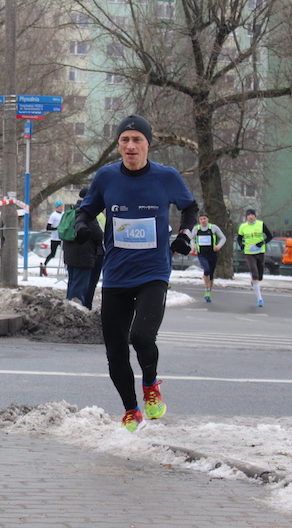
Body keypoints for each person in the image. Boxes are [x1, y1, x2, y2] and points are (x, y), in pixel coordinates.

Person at [74, 114, 198, 432]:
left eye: (137, 139)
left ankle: (151, 385)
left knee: (141, 336)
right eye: (124, 140)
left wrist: (184, 235)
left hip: (153, 273)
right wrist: (82, 226)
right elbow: (86, 209)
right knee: (115, 350)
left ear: (147, 144)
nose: (130, 146)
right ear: (119, 145)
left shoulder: (166, 177)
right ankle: (131, 409)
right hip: (116, 274)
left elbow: (189, 208)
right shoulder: (106, 177)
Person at [62, 188, 102, 310]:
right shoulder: (87, 213)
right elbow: (98, 235)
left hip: (70, 254)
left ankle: (68, 309)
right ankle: (75, 311)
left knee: (72, 283)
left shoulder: (71, 211)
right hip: (84, 254)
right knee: (80, 287)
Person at [237, 208, 273, 307]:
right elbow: (239, 238)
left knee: (260, 276)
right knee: (255, 273)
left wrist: (262, 242)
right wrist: (241, 245)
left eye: (252, 215)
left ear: (255, 216)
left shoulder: (261, 224)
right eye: (249, 215)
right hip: (249, 253)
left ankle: (254, 280)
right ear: (246, 217)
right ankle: (259, 299)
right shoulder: (243, 226)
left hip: (260, 252)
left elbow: (270, 236)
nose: (250, 217)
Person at [191, 211, 226, 303]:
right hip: (202, 253)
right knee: (206, 269)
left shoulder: (213, 228)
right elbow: (192, 239)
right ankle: (206, 290)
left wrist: (218, 246)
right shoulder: (196, 228)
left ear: (208, 219)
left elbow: (223, 238)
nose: (203, 221)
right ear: (199, 220)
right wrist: (193, 246)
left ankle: (209, 292)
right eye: (201, 219)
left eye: (204, 219)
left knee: (211, 273)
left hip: (212, 253)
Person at [43, 200, 64, 272]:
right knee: (52, 254)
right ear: (57, 207)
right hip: (55, 238)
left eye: (62, 206)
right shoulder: (53, 215)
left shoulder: (64, 214)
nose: (61, 208)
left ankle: (67, 268)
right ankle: (44, 265)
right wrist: (57, 228)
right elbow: (48, 227)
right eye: (60, 206)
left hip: (62, 238)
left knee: (66, 253)